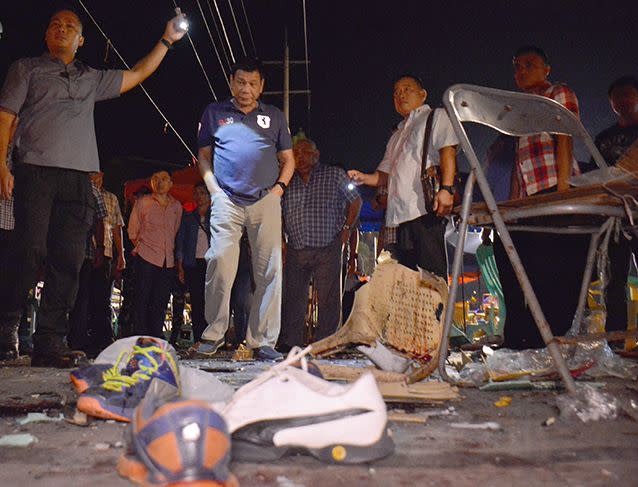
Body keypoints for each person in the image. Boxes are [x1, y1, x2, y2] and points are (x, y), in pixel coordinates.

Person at [0, 7, 187, 366]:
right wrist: (2, 166)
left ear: (80, 40)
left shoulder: (90, 78)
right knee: (29, 252)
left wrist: (166, 40)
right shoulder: (26, 69)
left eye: (70, 26)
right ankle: (7, 324)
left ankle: (49, 342)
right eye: (54, 24)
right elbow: (6, 117)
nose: (61, 29)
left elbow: (137, 74)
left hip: (79, 178)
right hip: (34, 171)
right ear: (46, 34)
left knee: (69, 260)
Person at [195, 57, 295, 361]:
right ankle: (213, 334)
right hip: (226, 199)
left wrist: (279, 189)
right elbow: (203, 156)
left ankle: (262, 340)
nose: (246, 89)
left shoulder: (274, 116)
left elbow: (288, 159)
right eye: (240, 82)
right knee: (220, 266)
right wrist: (213, 189)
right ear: (231, 82)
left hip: (265, 199)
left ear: (261, 86)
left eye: (252, 83)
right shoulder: (214, 113)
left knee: (270, 270)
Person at [493, 46, 590, 349]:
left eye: (530, 65)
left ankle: (550, 341)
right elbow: (517, 162)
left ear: (547, 69)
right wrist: (509, 205)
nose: (521, 71)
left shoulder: (558, 92)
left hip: (552, 187)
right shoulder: (520, 108)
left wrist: (562, 191)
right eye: (517, 66)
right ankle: (520, 339)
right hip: (527, 198)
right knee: (510, 257)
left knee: (553, 270)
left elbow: (565, 140)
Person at [348, 74, 459, 278]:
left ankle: (439, 311)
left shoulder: (436, 116)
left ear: (422, 94)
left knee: (431, 278)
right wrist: (364, 177)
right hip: (398, 218)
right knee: (404, 282)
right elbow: (384, 176)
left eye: (407, 89)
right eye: (396, 93)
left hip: (425, 210)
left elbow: (448, 151)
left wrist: (447, 189)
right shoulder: (397, 135)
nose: (400, 95)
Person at [278, 139, 362, 350]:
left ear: (317, 154)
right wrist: (282, 239)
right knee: (293, 298)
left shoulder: (333, 174)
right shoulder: (289, 180)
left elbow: (356, 201)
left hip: (328, 245)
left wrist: (346, 229)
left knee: (328, 299)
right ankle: (292, 343)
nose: (301, 158)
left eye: (306, 152)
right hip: (296, 246)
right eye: (296, 153)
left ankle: (326, 343)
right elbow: (279, 210)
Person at [594, 76, 638, 333]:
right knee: (613, 281)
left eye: (628, 95)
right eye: (617, 96)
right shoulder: (604, 138)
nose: (622, 101)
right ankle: (616, 339)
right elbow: (596, 173)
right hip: (613, 219)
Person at [128, 171, 182, 338]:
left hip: (168, 261)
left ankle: (156, 336)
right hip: (146, 256)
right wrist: (142, 246)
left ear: (171, 184)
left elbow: (175, 231)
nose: (160, 183)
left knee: (161, 301)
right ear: (151, 183)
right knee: (142, 299)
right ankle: (141, 337)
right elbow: (132, 231)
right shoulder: (143, 202)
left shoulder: (176, 206)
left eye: (164, 180)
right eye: (155, 180)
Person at [88, 171, 125, 354]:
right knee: (86, 297)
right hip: (87, 251)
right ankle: (85, 337)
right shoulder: (85, 192)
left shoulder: (111, 198)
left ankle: (103, 338)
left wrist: (121, 255)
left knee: (103, 298)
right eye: (91, 175)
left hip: (107, 252)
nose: (95, 179)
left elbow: (117, 228)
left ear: (102, 176)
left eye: (97, 175)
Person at [176, 182, 211, 344]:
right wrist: (180, 267)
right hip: (193, 264)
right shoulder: (188, 218)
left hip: (212, 263)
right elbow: (181, 243)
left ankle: (213, 337)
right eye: (196, 193)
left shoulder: (216, 217)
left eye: (203, 193)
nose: (199, 197)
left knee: (212, 301)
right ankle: (199, 338)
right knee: (196, 302)